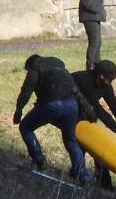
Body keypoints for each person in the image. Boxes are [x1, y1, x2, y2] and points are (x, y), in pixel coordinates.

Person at [13, 54, 92, 184]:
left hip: (51, 105)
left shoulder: (35, 68)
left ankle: (38, 160)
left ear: (30, 65)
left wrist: (18, 110)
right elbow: (76, 91)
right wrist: (89, 111)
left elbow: (26, 90)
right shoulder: (62, 69)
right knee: (71, 140)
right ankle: (84, 176)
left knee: (25, 127)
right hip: (71, 105)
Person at [73, 59, 116, 189]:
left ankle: (104, 182)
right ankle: (79, 175)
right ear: (101, 76)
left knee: (96, 144)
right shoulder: (85, 81)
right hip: (70, 109)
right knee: (83, 143)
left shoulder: (105, 85)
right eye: (111, 78)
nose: (112, 81)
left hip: (86, 110)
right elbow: (98, 110)